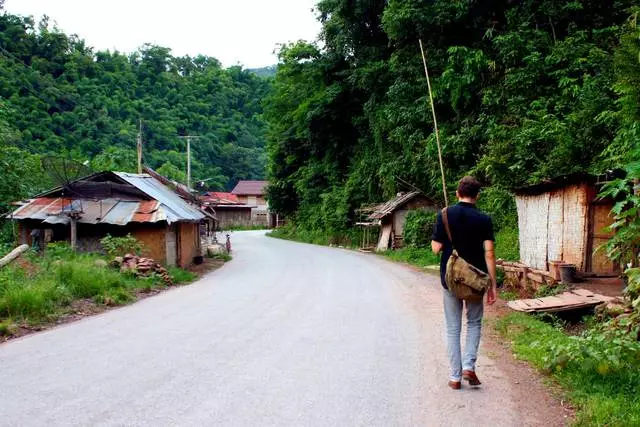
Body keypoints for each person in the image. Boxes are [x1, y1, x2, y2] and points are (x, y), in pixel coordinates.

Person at [431, 176, 497, 390]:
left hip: (450, 279)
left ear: (457, 193)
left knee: (452, 328)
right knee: (474, 323)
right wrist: (492, 284)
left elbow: (435, 248)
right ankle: (469, 365)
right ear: (477, 196)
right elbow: (489, 253)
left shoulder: (445, 214)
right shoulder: (484, 219)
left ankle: (455, 377)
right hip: (475, 280)